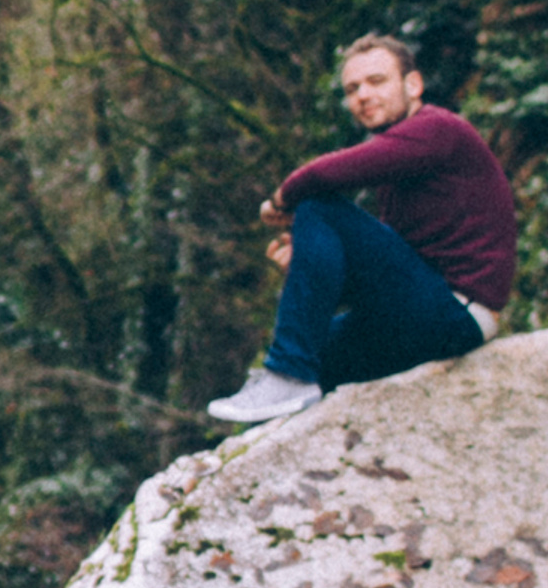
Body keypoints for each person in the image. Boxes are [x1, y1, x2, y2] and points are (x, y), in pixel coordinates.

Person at [207, 34, 517, 425]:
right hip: (425, 311)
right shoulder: (404, 165)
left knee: (318, 206)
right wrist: (306, 262)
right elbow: (391, 279)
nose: (363, 96)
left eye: (377, 81)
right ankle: (290, 389)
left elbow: (321, 176)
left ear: (413, 85)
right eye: (353, 89)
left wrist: (282, 199)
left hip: (458, 313)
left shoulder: (437, 129)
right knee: (317, 357)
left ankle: (287, 376)